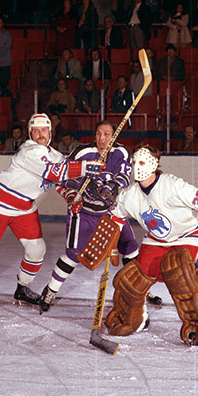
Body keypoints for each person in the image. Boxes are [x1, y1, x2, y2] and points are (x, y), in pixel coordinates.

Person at [102, 144, 198, 345]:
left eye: (141, 162)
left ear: (154, 164)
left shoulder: (171, 185)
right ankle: (135, 320)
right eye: (133, 162)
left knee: (181, 277)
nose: (136, 166)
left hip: (188, 234)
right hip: (157, 239)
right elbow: (114, 217)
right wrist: (110, 244)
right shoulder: (129, 194)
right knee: (133, 280)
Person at [0, 112, 106, 310]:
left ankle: (22, 288)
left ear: (50, 131)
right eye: (36, 131)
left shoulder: (54, 155)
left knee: (37, 250)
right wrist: (85, 167)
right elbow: (54, 172)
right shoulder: (29, 151)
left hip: (24, 207)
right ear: (30, 133)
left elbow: (58, 180)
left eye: (44, 130)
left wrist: (69, 194)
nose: (40, 134)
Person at [39, 120, 140, 309]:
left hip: (111, 212)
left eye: (107, 134)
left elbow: (123, 177)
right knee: (73, 255)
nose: (102, 138)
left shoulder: (121, 152)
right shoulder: (81, 153)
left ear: (114, 135)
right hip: (83, 213)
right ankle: (50, 291)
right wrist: (71, 197)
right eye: (98, 134)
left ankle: (141, 289)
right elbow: (61, 181)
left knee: (130, 247)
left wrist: (111, 187)